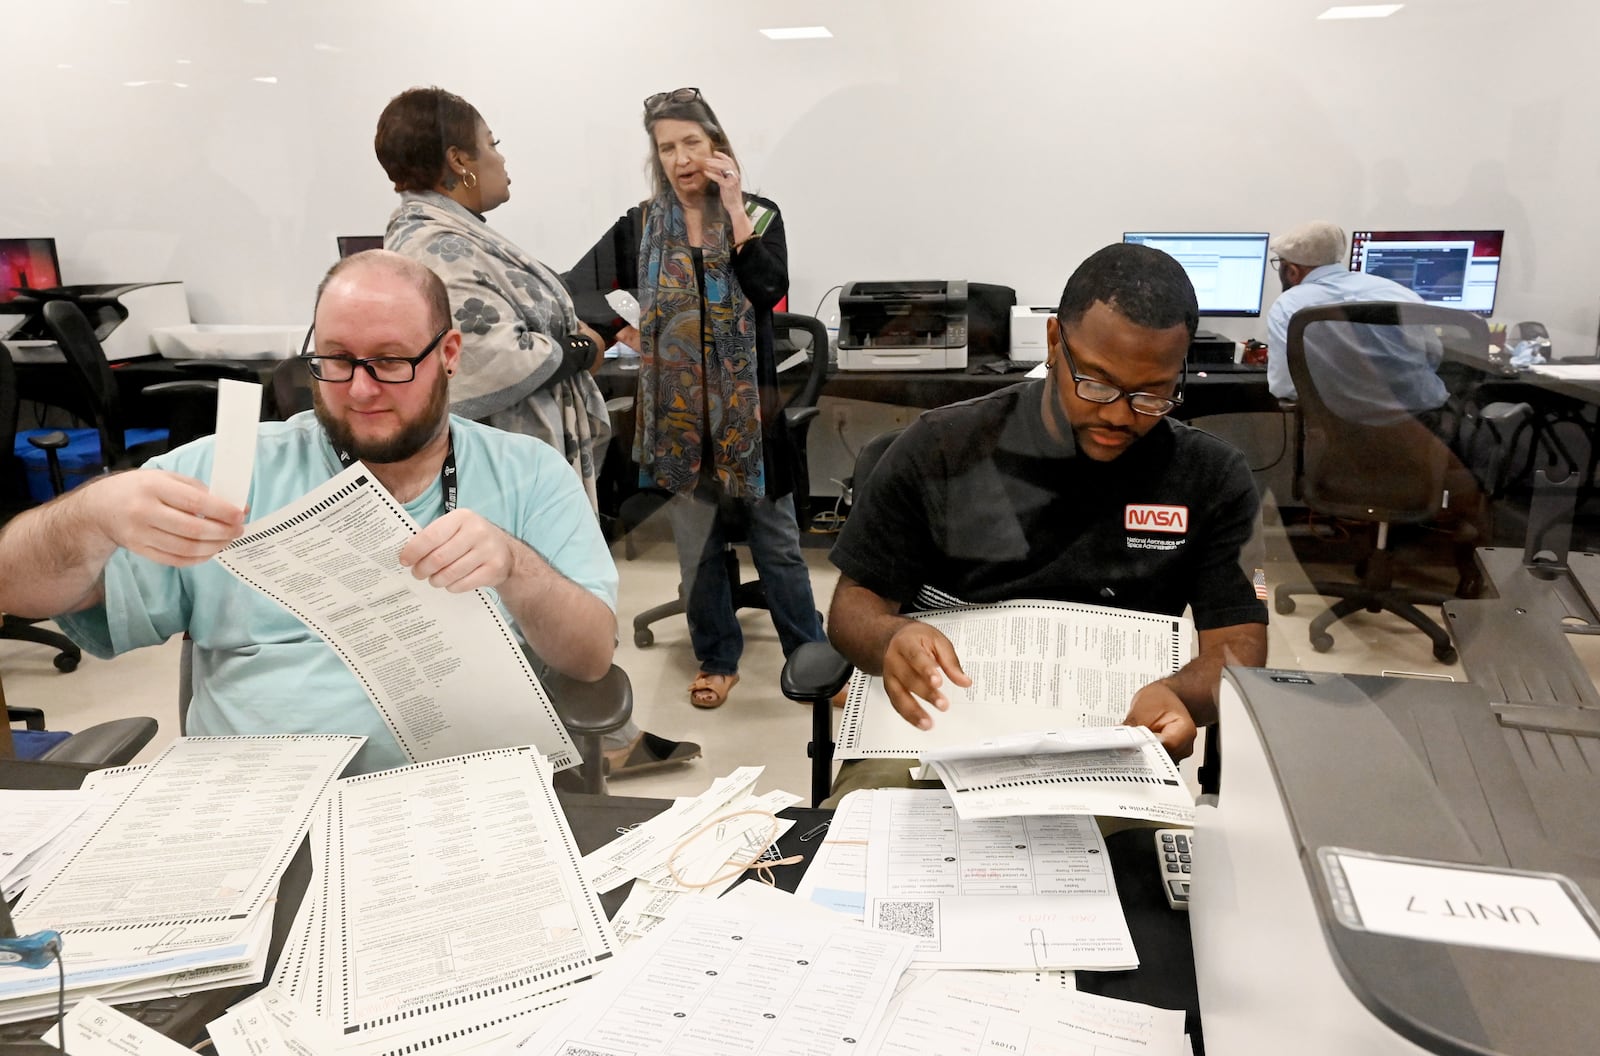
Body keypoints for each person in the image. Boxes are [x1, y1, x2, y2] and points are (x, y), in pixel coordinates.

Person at [0, 252, 634, 776]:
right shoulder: (230, 470)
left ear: (449, 353)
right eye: (335, 360)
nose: (360, 390)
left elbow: (589, 660)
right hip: (257, 805)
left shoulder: (527, 473)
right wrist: (90, 513)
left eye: (390, 361)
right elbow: (13, 584)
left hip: (461, 796)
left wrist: (518, 567)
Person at [825, 243, 1270, 792]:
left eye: (1152, 394)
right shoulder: (942, 447)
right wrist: (889, 637)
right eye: (1097, 382)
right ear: (1056, 342)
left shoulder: (1212, 476)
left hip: (1112, 744)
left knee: (1138, 876)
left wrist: (1182, 695)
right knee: (872, 853)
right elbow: (852, 607)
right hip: (939, 731)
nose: (1117, 413)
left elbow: (1238, 647)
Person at [567, 87, 824, 711]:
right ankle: (718, 657)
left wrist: (733, 209)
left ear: (716, 146)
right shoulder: (641, 224)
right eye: (667, 148)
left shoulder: (760, 216)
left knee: (779, 545)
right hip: (678, 418)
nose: (681, 158)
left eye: (691, 143)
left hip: (749, 417)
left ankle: (811, 657)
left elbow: (767, 289)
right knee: (697, 548)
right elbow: (576, 287)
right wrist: (629, 327)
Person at [374, 86, 611, 510]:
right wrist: (579, 348)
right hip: (502, 477)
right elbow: (487, 357)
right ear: (459, 160)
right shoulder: (435, 247)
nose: (500, 158)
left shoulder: (455, 235)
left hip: (518, 459)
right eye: (491, 144)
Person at [1265, 220, 1446, 419]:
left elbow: (1286, 386)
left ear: (1292, 270)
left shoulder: (1289, 306)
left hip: (1343, 431)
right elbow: (1433, 356)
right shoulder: (1398, 292)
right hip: (1423, 426)